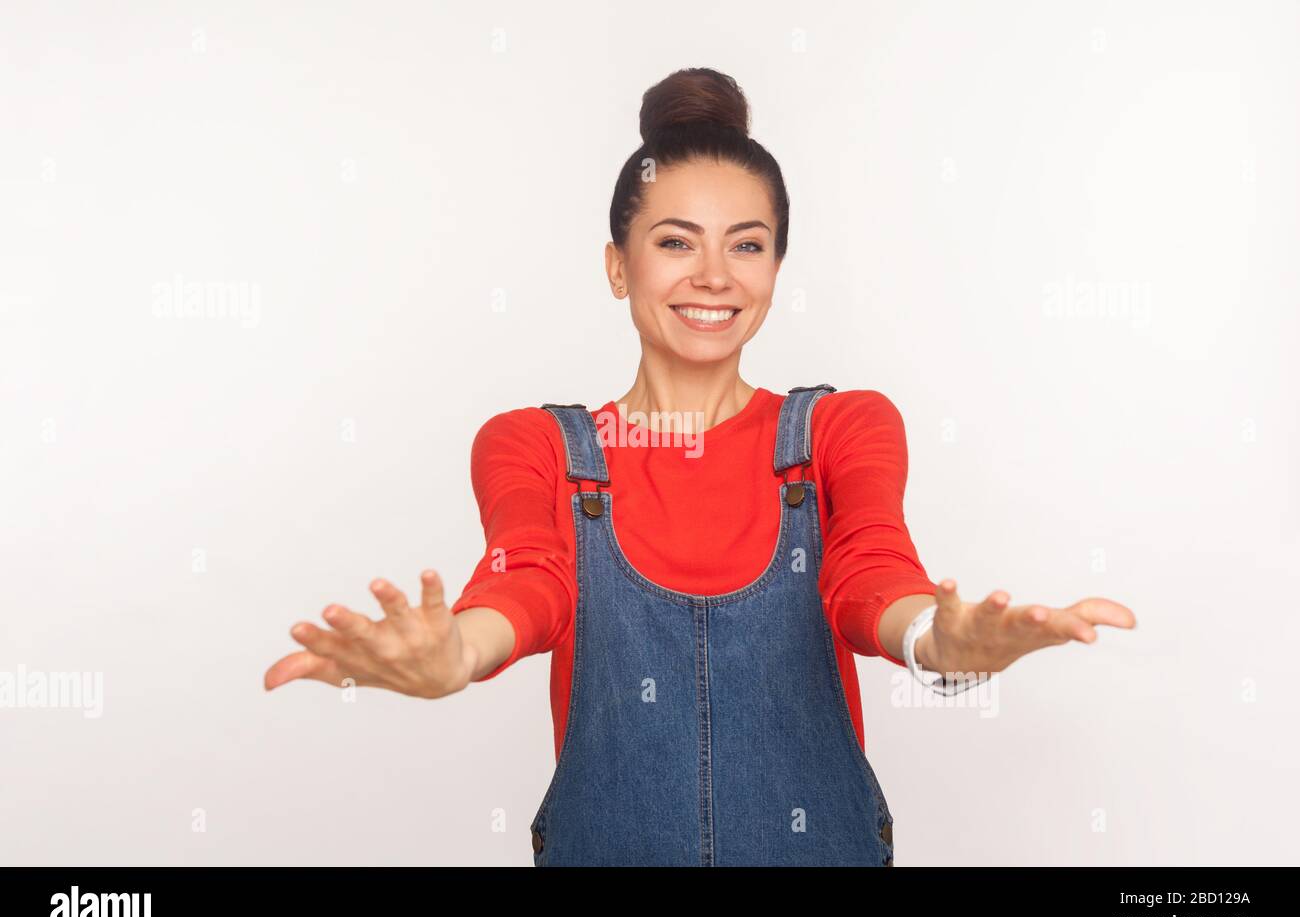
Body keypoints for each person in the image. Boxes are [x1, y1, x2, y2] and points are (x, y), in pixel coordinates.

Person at [263, 67, 1137, 866]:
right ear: (618, 265)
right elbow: (527, 587)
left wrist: (942, 644)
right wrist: (454, 654)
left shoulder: (842, 429)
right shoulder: (535, 447)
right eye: (676, 243)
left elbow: (873, 578)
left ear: (777, 267)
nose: (714, 276)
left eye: (747, 245)